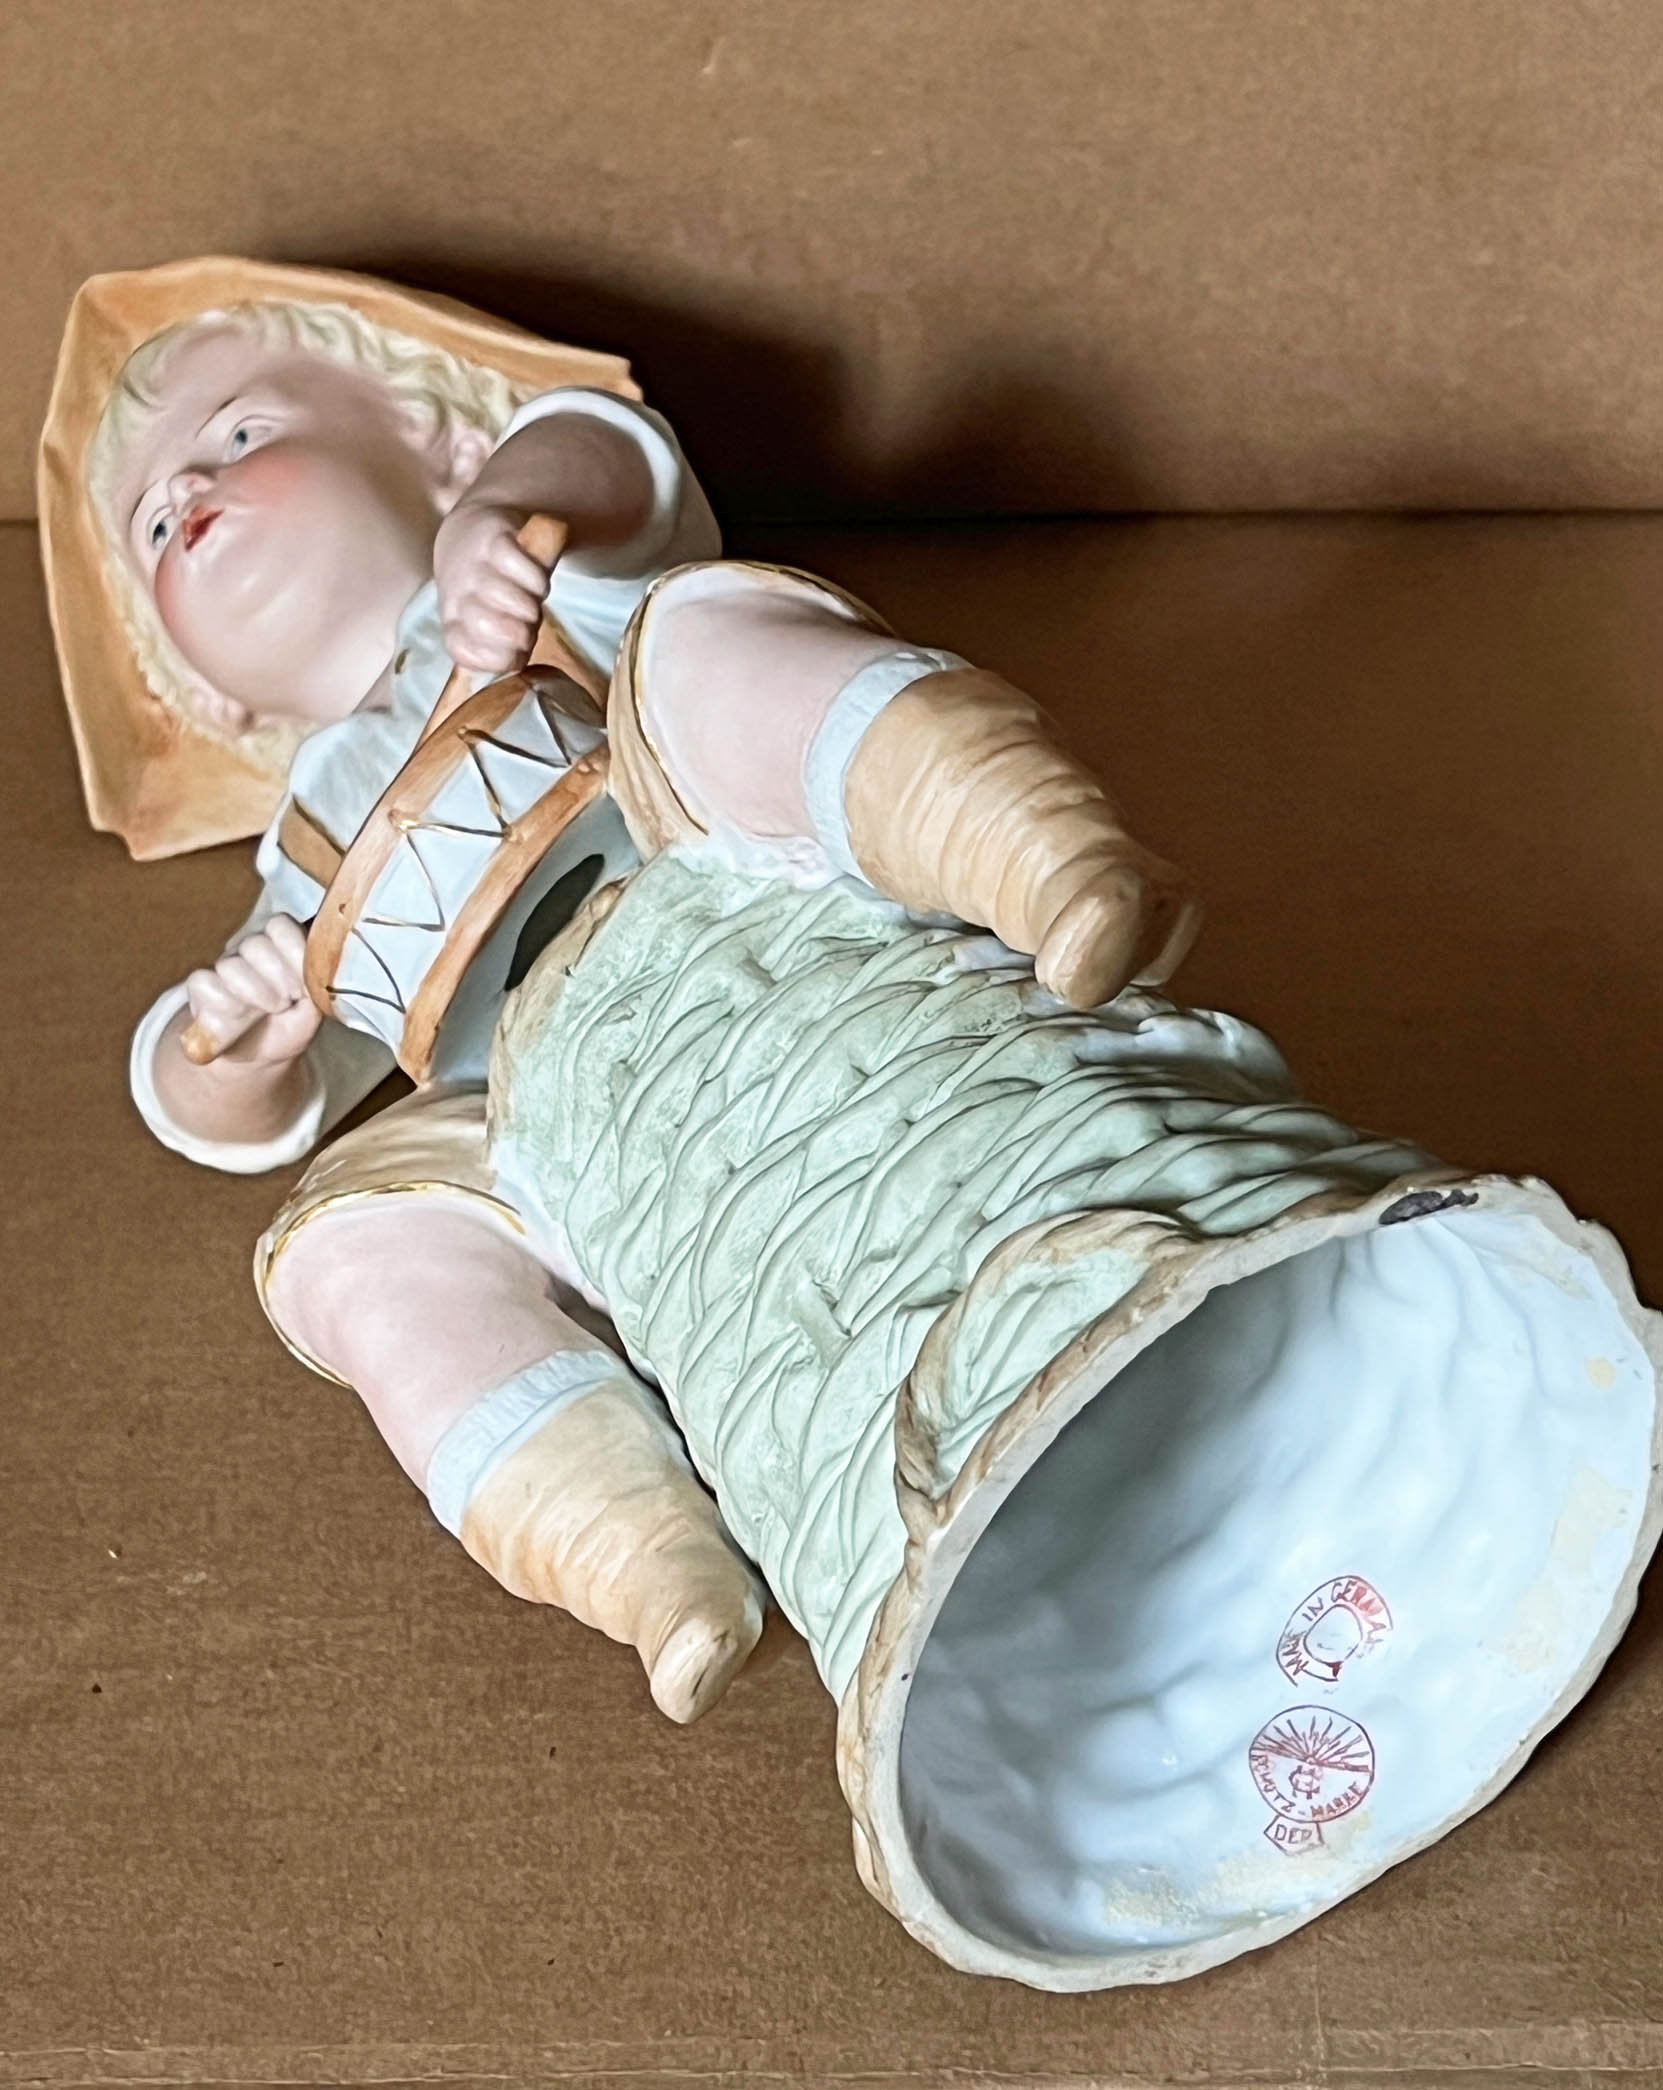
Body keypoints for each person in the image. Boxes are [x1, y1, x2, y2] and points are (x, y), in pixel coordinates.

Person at [75, 273, 1195, 1723]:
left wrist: (504, 512)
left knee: (707, 643)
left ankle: (1040, 858)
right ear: (210, 698)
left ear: (432, 439)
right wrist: (237, 1037)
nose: (191, 497)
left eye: (238, 436)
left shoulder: (552, 584)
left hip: (740, 877)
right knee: (339, 1248)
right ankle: (629, 1544)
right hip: (566, 1109)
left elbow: (605, 442)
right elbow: (192, 1094)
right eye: (153, 525)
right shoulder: (304, 862)